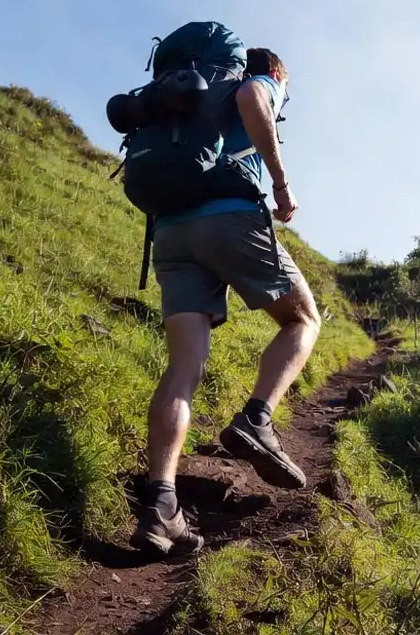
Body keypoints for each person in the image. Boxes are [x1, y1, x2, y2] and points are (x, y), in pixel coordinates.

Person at [129, 47, 323, 557]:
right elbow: (252, 96)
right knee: (303, 319)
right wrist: (281, 185)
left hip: (170, 233)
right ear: (277, 70)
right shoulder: (259, 79)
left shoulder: (186, 100)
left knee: (183, 370)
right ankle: (257, 419)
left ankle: (161, 507)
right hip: (228, 217)